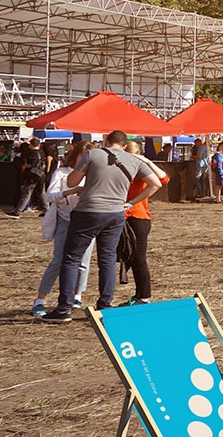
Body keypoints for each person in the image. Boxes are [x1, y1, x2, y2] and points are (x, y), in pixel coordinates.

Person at [38, 130, 162, 323]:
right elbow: (156, 183)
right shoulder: (133, 160)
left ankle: (64, 308)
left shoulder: (92, 154)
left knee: (71, 258)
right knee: (107, 259)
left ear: (106, 140)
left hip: (88, 211)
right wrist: (130, 202)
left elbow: (71, 181)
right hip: (115, 214)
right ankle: (105, 305)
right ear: (124, 145)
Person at [28, 141, 94, 317]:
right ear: (76, 156)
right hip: (65, 219)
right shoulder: (62, 172)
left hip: (87, 221)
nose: (85, 161)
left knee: (83, 262)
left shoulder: (93, 174)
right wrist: (69, 192)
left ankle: (77, 296)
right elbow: (50, 195)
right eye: (83, 157)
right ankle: (40, 299)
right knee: (58, 260)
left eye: (89, 158)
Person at [120, 140, 169, 306]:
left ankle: (144, 296)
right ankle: (139, 294)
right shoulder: (121, 170)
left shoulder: (142, 170)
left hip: (138, 217)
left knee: (139, 258)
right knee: (131, 258)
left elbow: (164, 179)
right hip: (123, 217)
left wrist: (146, 161)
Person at [6, 136, 47, 217]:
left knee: (27, 192)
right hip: (41, 175)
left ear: (31, 145)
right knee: (41, 193)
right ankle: (47, 210)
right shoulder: (41, 153)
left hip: (33, 175)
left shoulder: (31, 153)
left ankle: (17, 211)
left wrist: (25, 166)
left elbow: (32, 164)